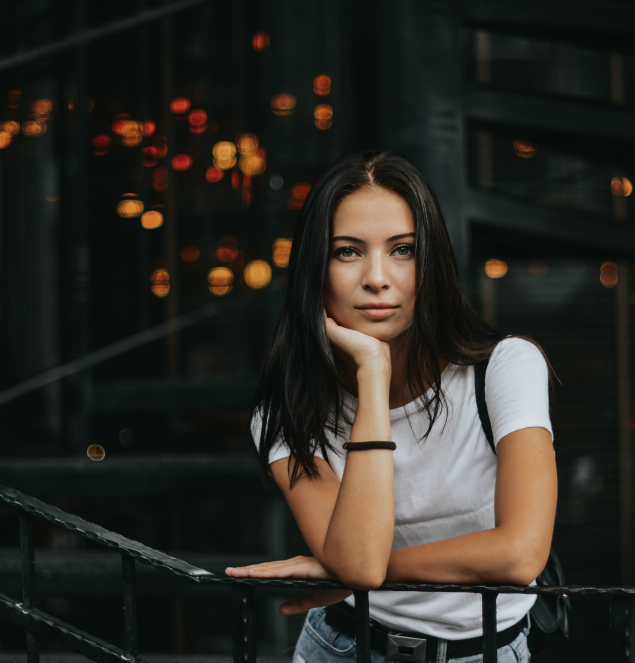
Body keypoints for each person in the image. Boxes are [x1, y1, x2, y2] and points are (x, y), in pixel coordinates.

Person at [226, 151, 557, 663]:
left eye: (403, 250)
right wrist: (373, 377)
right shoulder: (287, 411)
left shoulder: (505, 369)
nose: (378, 278)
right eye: (348, 252)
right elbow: (356, 562)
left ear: (433, 263)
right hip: (341, 647)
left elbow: (520, 554)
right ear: (316, 268)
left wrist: (367, 570)